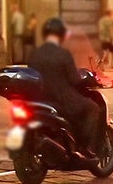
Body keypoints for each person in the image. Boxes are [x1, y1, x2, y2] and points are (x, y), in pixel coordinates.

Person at [26, 17, 105, 156]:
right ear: (61, 35)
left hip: (41, 99)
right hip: (62, 99)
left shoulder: (35, 54)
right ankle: (86, 147)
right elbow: (74, 80)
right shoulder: (63, 54)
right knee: (92, 108)